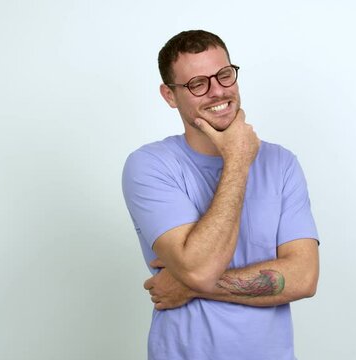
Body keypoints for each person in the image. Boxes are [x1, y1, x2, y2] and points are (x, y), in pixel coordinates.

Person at [122, 29, 320, 360]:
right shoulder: (149, 165)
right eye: (198, 84)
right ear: (170, 96)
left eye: (224, 75)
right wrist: (238, 160)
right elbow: (200, 269)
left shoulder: (281, 163)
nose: (217, 91)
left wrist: (187, 285)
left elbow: (304, 278)